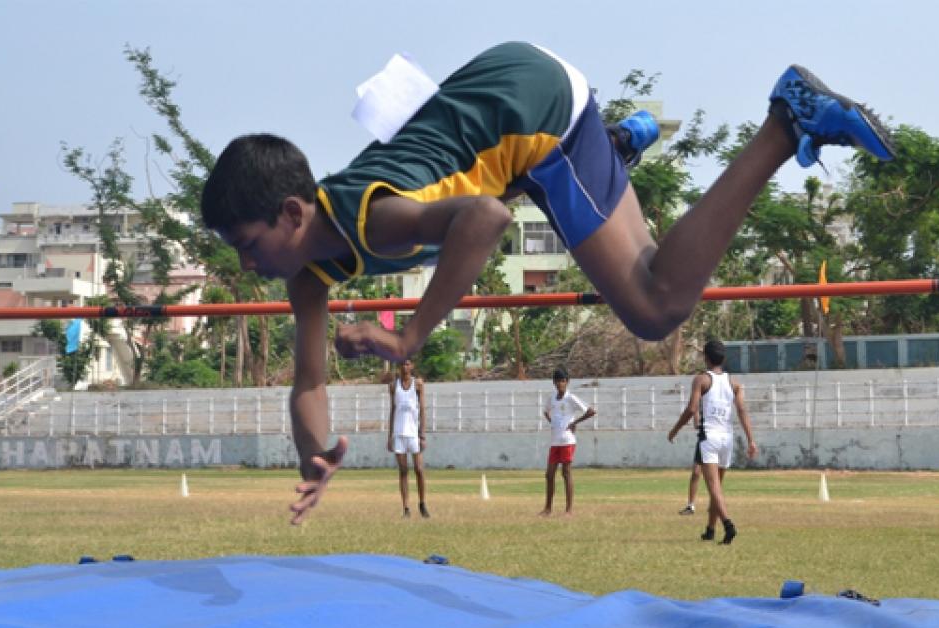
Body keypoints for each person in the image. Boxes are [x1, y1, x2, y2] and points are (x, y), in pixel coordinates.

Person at [201, 41, 895, 524]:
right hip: (508, 123)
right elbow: (310, 384)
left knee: (656, 304)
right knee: (647, 276)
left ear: (292, 214)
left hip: (528, 107)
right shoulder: (309, 275)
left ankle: (783, 121)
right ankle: (613, 149)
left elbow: (483, 217)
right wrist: (314, 456)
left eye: (248, 245)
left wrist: (410, 334)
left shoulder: (371, 220)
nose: (245, 265)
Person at [667, 340, 758, 544]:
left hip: (709, 437)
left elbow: (692, 409)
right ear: (723, 358)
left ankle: (728, 524)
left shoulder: (701, 380)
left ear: (705, 358)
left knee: (713, 487)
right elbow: (742, 411)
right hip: (727, 438)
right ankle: (710, 529)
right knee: (717, 489)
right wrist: (751, 440)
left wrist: (674, 429)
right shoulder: (734, 383)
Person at [541, 367, 595, 517]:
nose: (560, 384)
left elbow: (590, 411)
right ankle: (547, 509)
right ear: (554, 383)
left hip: (567, 441)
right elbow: (545, 411)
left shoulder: (571, 398)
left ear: (567, 382)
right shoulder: (552, 398)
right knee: (549, 474)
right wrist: (552, 422)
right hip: (555, 441)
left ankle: (569, 510)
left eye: (563, 381)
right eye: (557, 381)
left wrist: (574, 422)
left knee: (566, 473)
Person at [388, 359, 429, 519]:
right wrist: (390, 435)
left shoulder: (418, 384)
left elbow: (422, 410)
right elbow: (392, 409)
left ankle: (422, 503)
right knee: (403, 471)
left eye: (408, 364)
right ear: (398, 367)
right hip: (399, 433)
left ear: (412, 366)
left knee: (419, 469)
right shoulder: (393, 386)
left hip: (413, 433)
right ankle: (406, 508)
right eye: (402, 365)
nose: (405, 367)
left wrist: (422, 434)